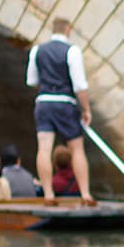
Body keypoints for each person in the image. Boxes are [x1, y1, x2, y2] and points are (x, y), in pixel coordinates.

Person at [28, 16, 96, 205]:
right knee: (77, 149)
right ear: (68, 30)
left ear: (53, 30)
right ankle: (85, 195)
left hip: (44, 102)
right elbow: (79, 85)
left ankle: (48, 195)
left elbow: (32, 81)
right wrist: (86, 109)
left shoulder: (37, 51)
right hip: (65, 102)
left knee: (44, 148)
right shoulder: (72, 51)